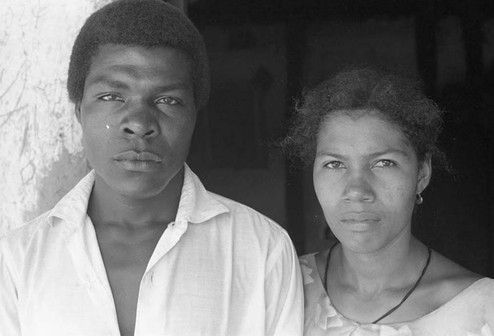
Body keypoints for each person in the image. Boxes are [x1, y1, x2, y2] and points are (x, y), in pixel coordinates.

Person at [0, 1, 303, 335]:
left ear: (194, 118)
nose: (139, 124)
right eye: (112, 96)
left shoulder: (261, 250)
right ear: (79, 113)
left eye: (167, 100)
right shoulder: (18, 260)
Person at [282, 68, 494, 335]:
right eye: (334, 164)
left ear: (422, 174)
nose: (357, 189)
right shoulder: (283, 287)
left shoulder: (486, 309)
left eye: (383, 163)